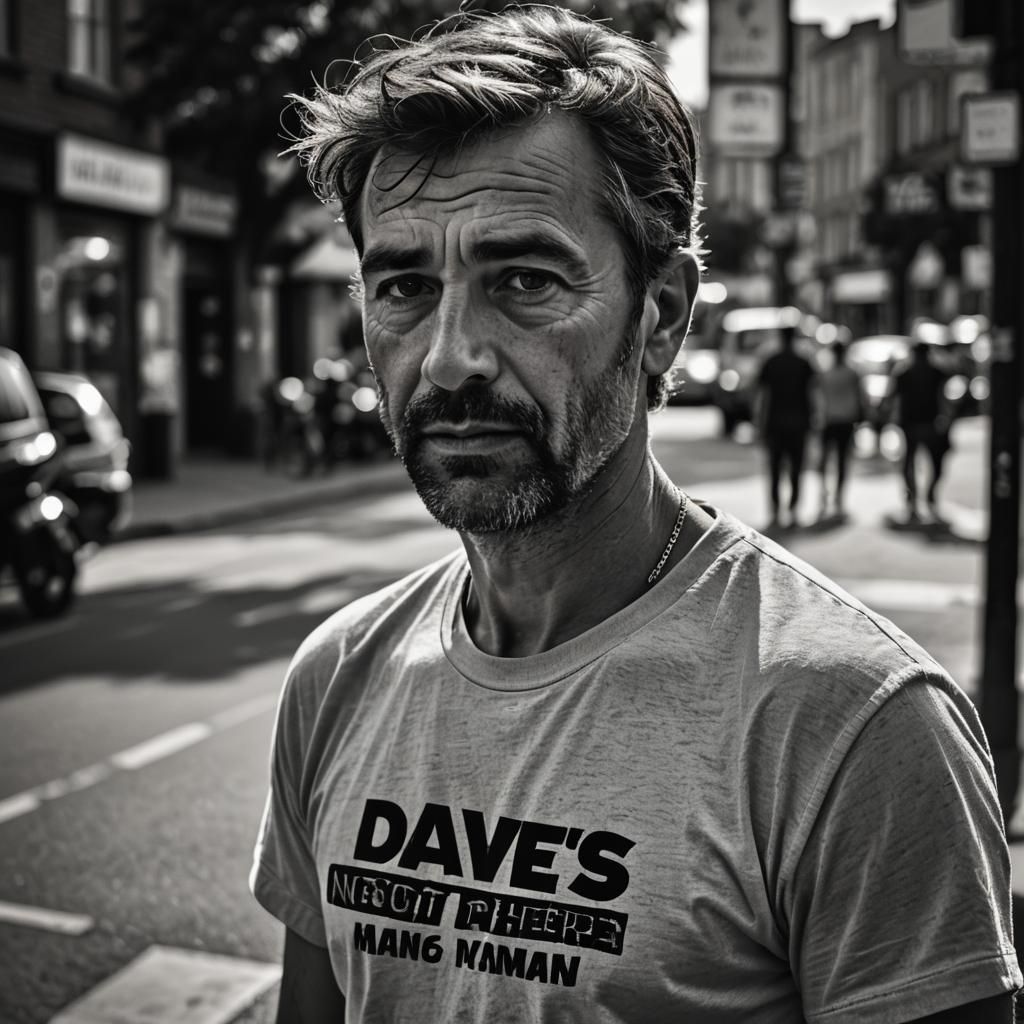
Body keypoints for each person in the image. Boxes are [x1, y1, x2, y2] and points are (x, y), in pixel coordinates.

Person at [250, 8, 1020, 1022]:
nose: (446, 358)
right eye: (402, 284)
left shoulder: (851, 722)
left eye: (523, 280)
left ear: (662, 315)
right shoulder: (339, 676)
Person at [753, 325, 816, 528]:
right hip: (799, 423)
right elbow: (813, 394)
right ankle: (793, 510)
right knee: (796, 470)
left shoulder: (771, 362)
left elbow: (763, 396)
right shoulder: (804, 362)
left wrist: (759, 424)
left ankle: (775, 511)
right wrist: (814, 420)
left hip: (775, 423)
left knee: (775, 470)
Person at [891, 338, 952, 521]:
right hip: (925, 423)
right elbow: (945, 396)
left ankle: (916, 497)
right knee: (932, 463)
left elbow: (895, 400)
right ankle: (924, 496)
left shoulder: (904, 373)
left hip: (915, 423)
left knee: (912, 462)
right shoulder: (934, 372)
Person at [814, 339, 864, 519]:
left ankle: (825, 493)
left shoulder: (826, 374)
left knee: (825, 460)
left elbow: (818, 398)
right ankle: (838, 497)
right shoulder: (852, 373)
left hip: (830, 420)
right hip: (845, 420)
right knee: (842, 461)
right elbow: (860, 397)